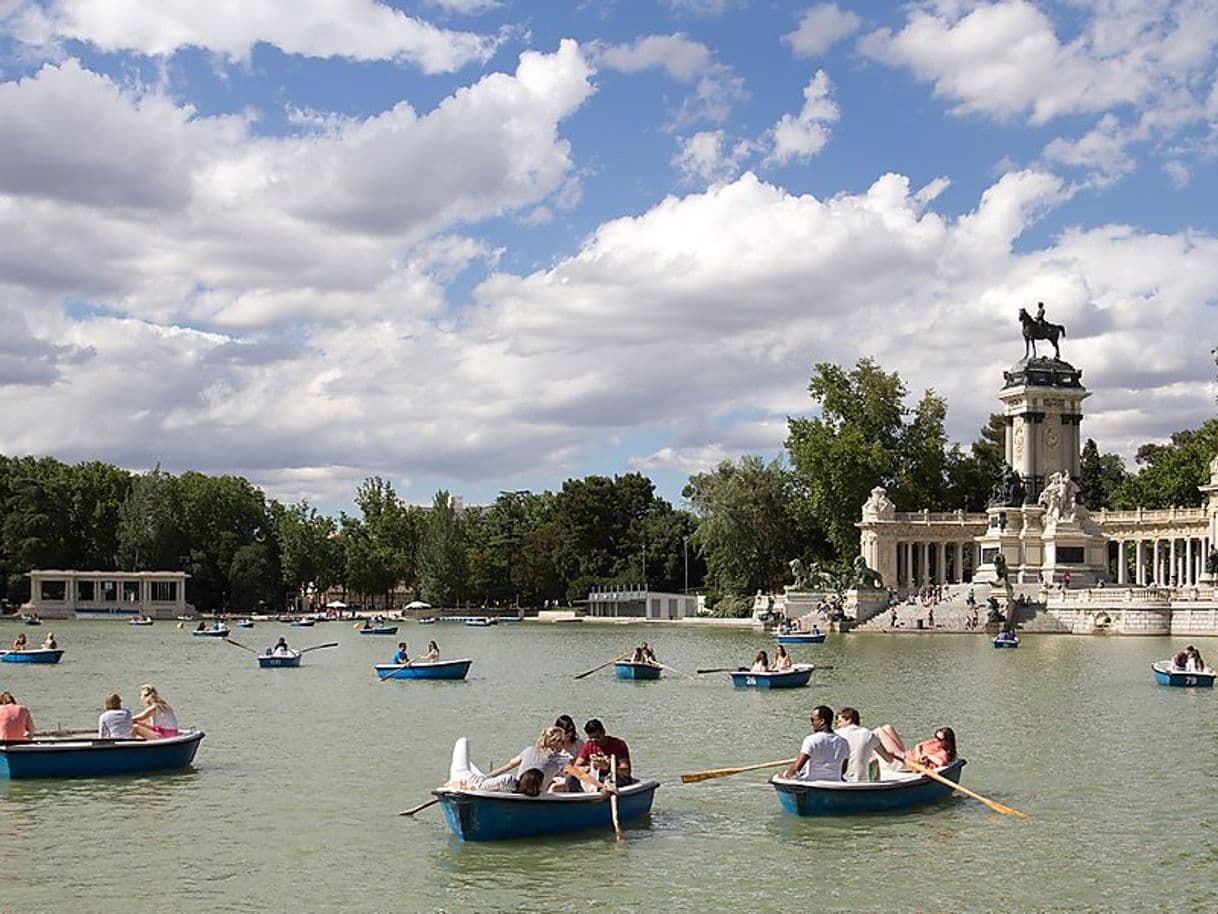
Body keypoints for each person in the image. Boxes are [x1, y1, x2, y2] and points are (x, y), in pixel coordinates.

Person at [445, 737, 545, 796]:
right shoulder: (513, 784)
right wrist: (453, 785)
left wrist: (453, 784)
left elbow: (479, 787)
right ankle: (469, 763)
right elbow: (478, 787)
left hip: (465, 778)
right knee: (463, 744)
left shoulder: (510, 781)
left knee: (462, 741)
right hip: (471, 780)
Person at [485, 726, 571, 792]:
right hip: (537, 794)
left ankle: (483, 780)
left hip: (518, 789)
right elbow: (574, 772)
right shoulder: (561, 760)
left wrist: (490, 775)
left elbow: (510, 764)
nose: (564, 745)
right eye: (562, 742)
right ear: (554, 743)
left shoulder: (529, 750)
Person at [781, 705, 848, 782]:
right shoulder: (844, 742)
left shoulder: (811, 740)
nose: (811, 723)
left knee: (780, 775)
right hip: (835, 782)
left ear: (822, 721)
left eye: (813, 720)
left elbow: (796, 769)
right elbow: (843, 769)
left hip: (813, 782)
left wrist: (785, 775)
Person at [834, 707, 899, 782]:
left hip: (838, 781)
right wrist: (891, 754)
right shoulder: (868, 734)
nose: (838, 726)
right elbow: (889, 759)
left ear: (849, 720)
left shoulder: (835, 735)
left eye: (839, 722)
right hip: (861, 782)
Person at [575, 718, 633, 786]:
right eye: (591, 738)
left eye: (597, 737)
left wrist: (608, 767)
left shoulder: (618, 744)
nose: (594, 740)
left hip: (615, 777)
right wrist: (590, 767)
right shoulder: (589, 745)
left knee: (608, 782)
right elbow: (576, 766)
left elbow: (626, 771)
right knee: (571, 779)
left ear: (603, 733)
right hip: (596, 777)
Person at [875, 724, 957, 769]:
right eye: (936, 736)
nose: (935, 740)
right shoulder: (934, 742)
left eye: (939, 739)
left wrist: (927, 756)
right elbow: (919, 745)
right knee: (887, 727)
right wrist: (918, 753)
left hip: (903, 762)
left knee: (878, 732)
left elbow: (941, 763)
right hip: (906, 754)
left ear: (947, 742)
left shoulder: (943, 753)